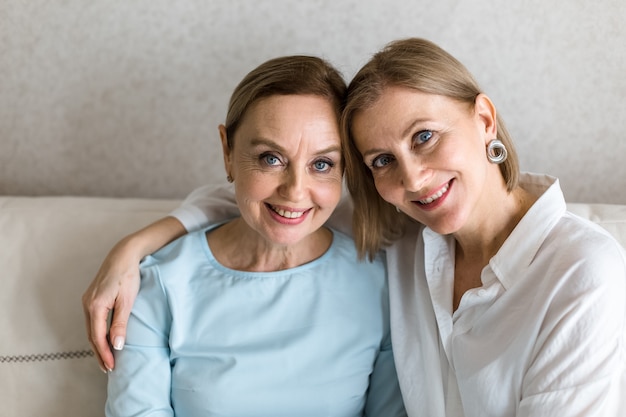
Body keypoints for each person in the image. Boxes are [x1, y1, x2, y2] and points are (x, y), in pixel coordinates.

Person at [85, 38, 626, 416]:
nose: (413, 177)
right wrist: (134, 248)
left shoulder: (580, 274)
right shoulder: (405, 236)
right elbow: (264, 206)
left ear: (484, 119)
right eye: (381, 160)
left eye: (424, 136)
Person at [103, 55, 407, 416]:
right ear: (228, 152)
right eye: (270, 159)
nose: (295, 191)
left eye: (322, 164)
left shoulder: (380, 285)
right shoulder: (159, 284)